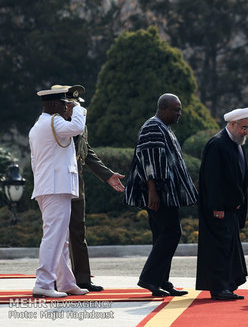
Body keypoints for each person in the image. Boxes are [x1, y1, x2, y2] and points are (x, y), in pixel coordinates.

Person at [52, 84, 125, 292]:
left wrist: (107, 175)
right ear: (61, 105)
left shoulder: (78, 123)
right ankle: (57, 279)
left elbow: (86, 151)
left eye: (75, 105)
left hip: (76, 181)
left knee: (78, 229)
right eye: (71, 105)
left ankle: (82, 278)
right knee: (58, 233)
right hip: (58, 182)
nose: (74, 108)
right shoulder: (55, 124)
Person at [125, 93, 197, 297]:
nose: (179, 113)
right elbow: (148, 160)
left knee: (162, 236)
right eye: (176, 109)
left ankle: (161, 280)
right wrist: (152, 191)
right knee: (171, 233)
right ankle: (149, 278)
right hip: (159, 194)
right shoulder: (152, 127)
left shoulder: (163, 127)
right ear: (163, 109)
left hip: (166, 194)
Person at [29, 87, 89, 298]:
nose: (68, 108)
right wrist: (79, 108)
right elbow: (77, 127)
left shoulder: (41, 124)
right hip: (55, 188)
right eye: (65, 104)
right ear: (54, 105)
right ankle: (44, 282)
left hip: (50, 187)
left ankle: (65, 282)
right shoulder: (53, 122)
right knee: (54, 236)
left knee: (60, 238)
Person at [196, 107, 248, 300]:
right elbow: (212, 180)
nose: (246, 132)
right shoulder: (217, 144)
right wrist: (217, 206)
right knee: (219, 248)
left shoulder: (237, 143)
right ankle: (219, 288)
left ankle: (228, 284)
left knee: (229, 247)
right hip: (219, 209)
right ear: (232, 124)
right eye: (243, 128)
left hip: (232, 209)